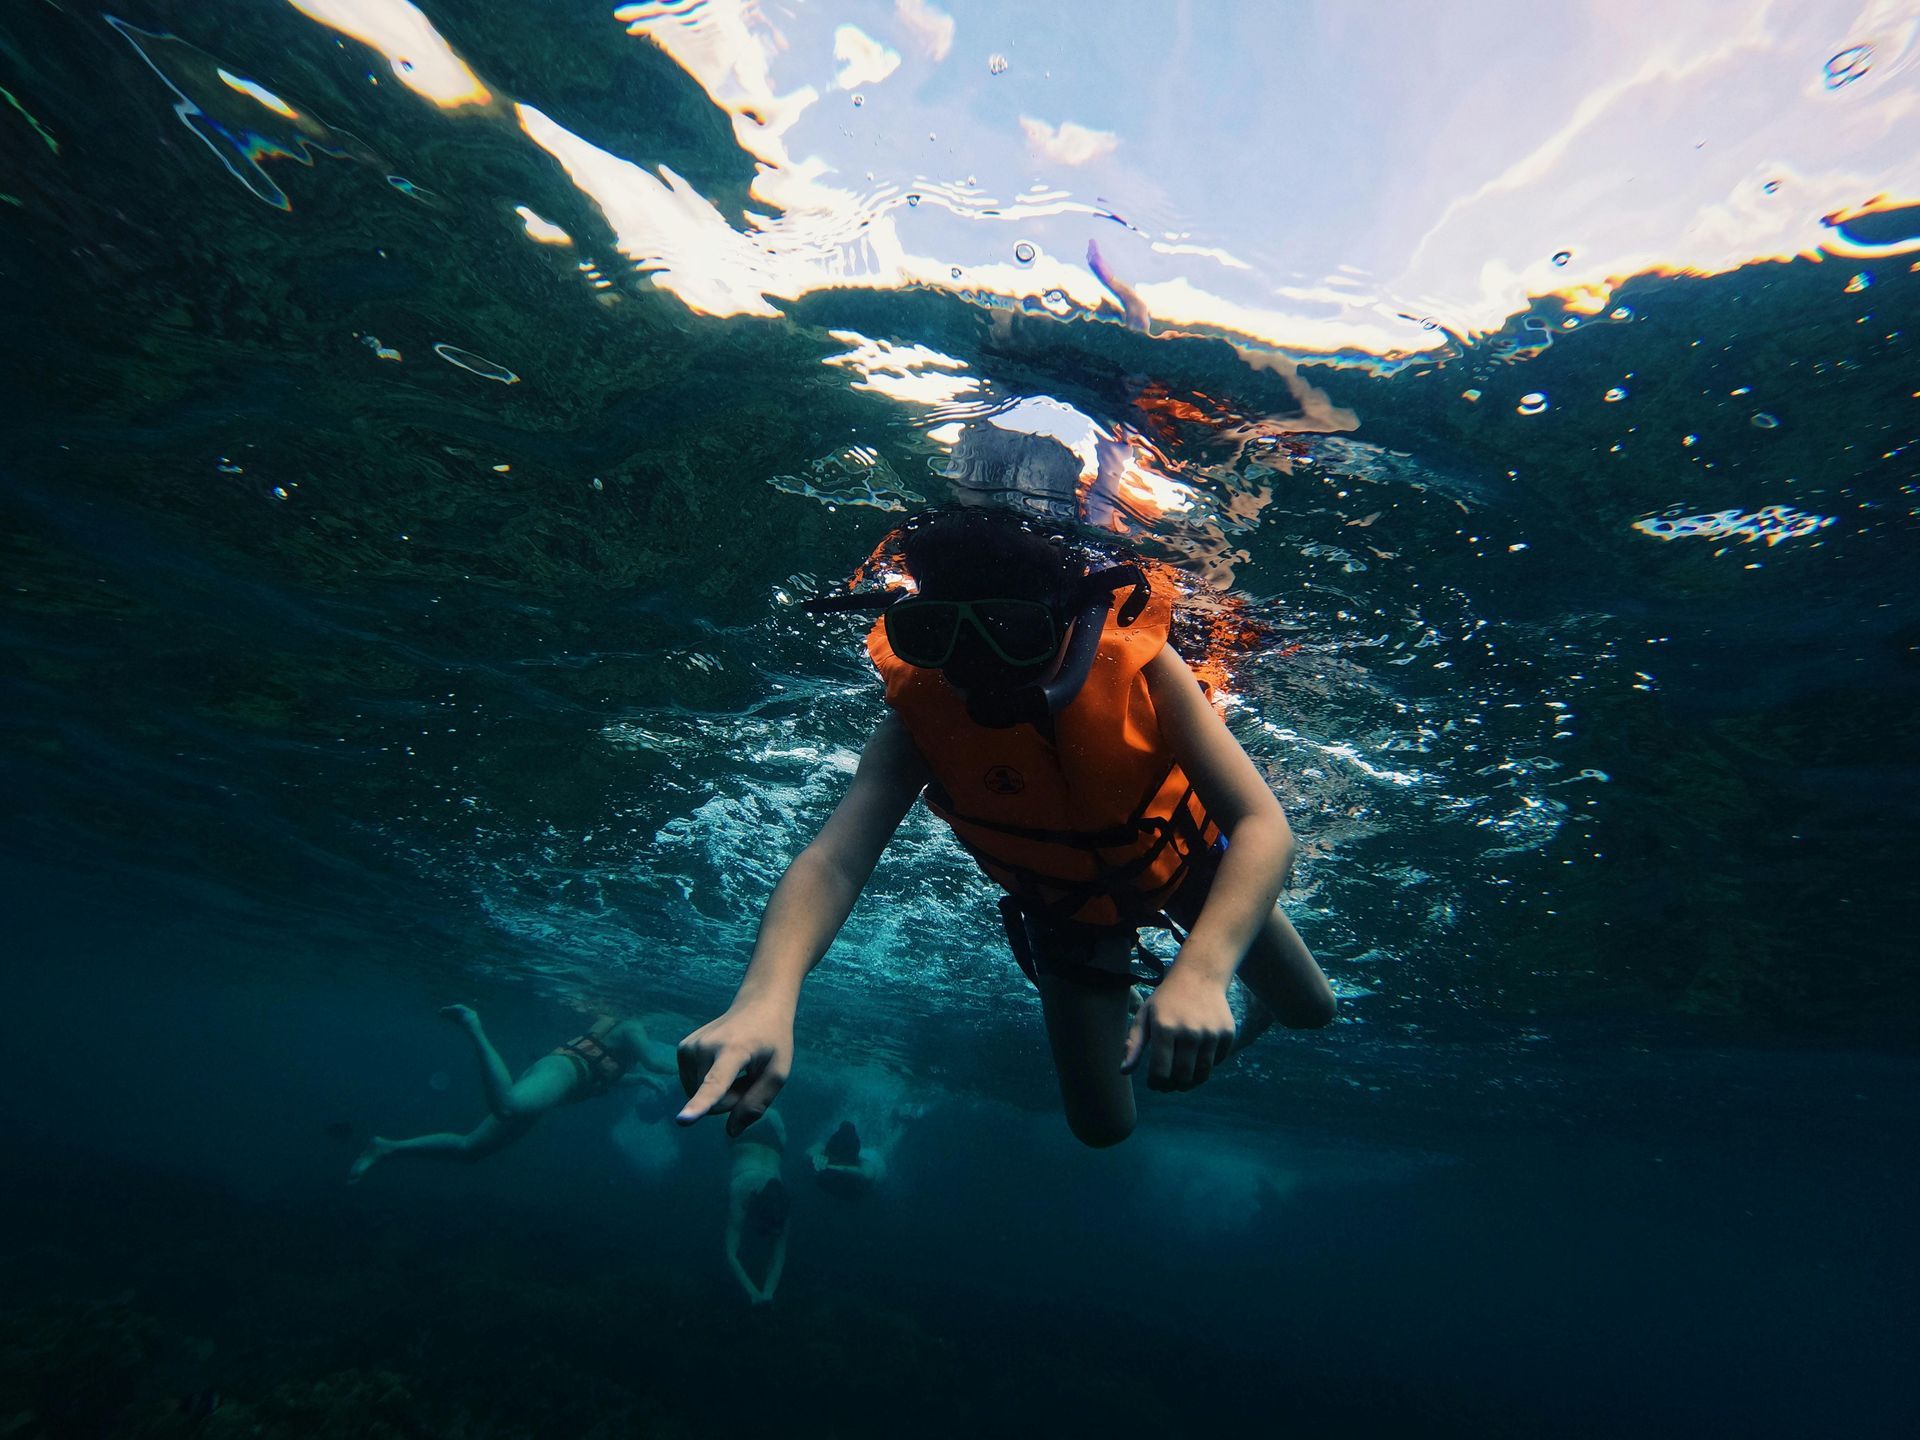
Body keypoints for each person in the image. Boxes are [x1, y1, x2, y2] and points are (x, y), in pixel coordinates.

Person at [676, 507, 1337, 1148]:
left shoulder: (1142, 664)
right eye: (935, 636)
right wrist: (765, 997)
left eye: (1011, 632)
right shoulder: (921, 711)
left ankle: (1233, 999)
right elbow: (834, 861)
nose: (973, 665)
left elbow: (1260, 824)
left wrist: (1203, 972)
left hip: (1189, 869)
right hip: (1065, 911)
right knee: (1103, 1128)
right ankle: (1167, 995)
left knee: (1312, 1008)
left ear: (1070, 621)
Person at [349, 1004, 677, 1181]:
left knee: (470, 1150)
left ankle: (388, 1147)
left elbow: (603, 1070)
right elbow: (654, 1062)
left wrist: (639, 1081)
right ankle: (472, 1024)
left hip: (559, 1075)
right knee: (507, 1107)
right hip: (562, 1073)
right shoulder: (633, 1026)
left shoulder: (621, 1027)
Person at [724, 1109, 790, 1305]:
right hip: (745, 1141)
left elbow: (732, 1253)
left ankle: (765, 1108)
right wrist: (759, 1291)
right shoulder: (744, 1192)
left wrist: (762, 1292)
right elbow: (732, 1253)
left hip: (775, 1147)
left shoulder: (780, 1203)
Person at [807, 1119, 886, 1200]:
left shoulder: (862, 1165)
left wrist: (839, 1168)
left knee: (886, 1149)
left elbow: (869, 1174)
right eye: (831, 1156)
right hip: (858, 1155)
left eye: (836, 1159)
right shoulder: (829, 1150)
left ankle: (899, 1130)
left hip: (875, 1160)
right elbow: (813, 1149)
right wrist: (816, 1156)